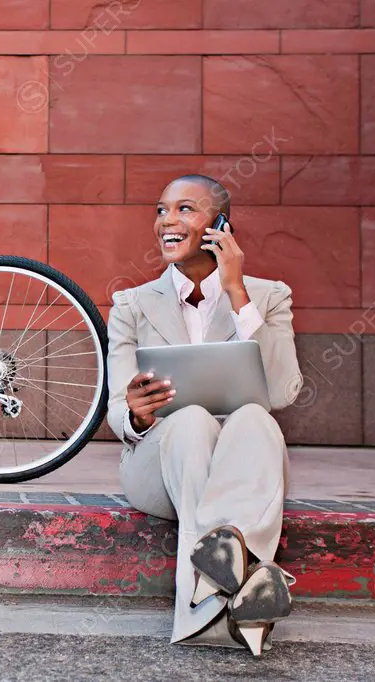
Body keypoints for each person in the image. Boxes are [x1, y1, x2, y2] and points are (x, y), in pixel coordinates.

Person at [105, 174, 303, 655]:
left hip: (243, 461)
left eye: (185, 210)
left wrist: (237, 292)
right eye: (160, 210)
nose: (167, 222)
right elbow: (116, 411)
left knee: (257, 419)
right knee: (191, 419)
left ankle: (207, 601)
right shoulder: (130, 306)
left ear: (220, 225)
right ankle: (245, 574)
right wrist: (136, 414)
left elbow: (280, 390)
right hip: (159, 464)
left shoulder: (268, 295)